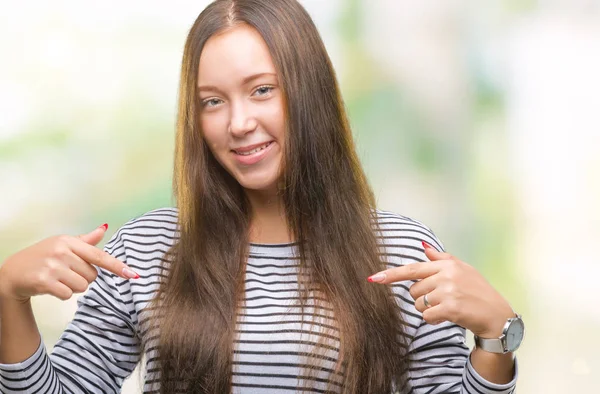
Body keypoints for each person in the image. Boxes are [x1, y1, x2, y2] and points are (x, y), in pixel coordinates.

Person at [0, 0, 522, 393]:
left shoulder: (402, 250)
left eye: (262, 90)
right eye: (212, 101)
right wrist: (7, 293)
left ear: (308, 91)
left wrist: (497, 334)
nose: (239, 123)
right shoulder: (144, 250)